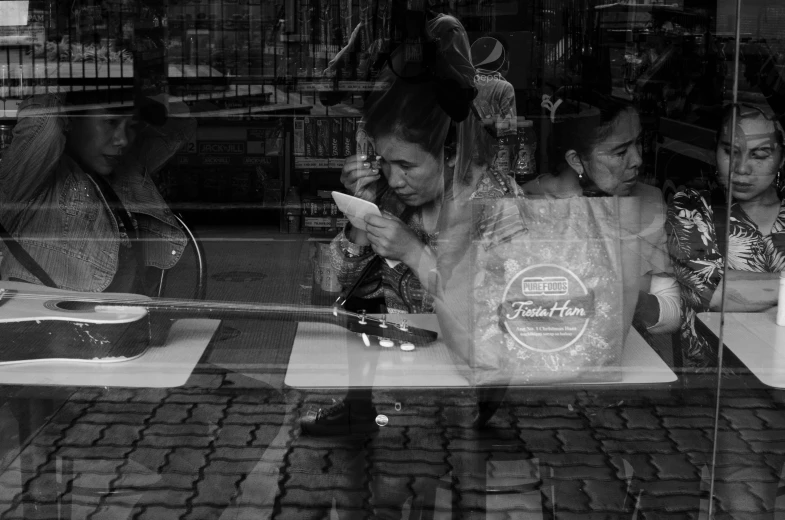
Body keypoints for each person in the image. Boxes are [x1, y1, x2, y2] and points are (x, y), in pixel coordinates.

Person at [0, 89, 195, 296]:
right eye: (110, 122)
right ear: (68, 120)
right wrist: (77, 74)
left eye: (132, 126)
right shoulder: (30, 176)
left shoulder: (127, 169)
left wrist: (134, 89)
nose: (123, 140)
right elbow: (44, 121)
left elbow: (182, 123)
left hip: (121, 321)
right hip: (46, 324)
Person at [521, 93, 681, 336]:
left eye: (638, 142)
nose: (637, 159)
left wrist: (620, 294)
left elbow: (672, 312)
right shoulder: (527, 205)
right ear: (576, 160)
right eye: (620, 152)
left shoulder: (648, 202)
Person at [667, 103, 785, 369]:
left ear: (782, 158)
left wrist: (755, 292)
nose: (741, 168)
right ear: (715, 151)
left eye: (760, 155)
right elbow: (709, 291)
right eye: (731, 152)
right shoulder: (693, 208)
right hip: (718, 387)